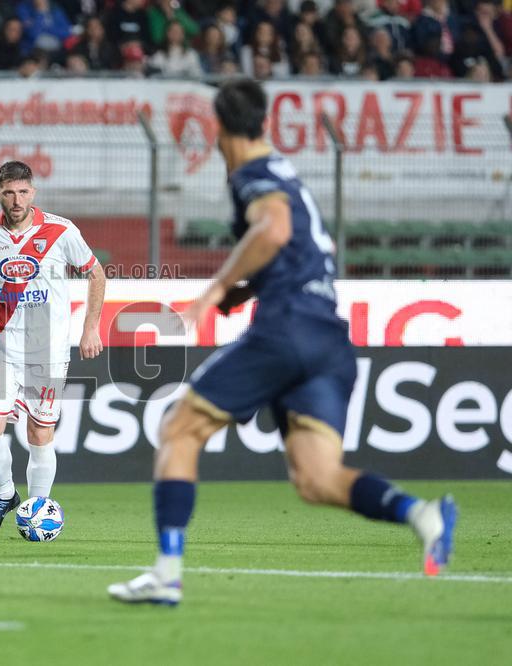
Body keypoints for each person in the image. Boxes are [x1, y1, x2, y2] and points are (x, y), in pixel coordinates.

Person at [108, 79, 457, 606]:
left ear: (219, 130)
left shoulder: (253, 175)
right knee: (317, 479)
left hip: (287, 329)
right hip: (329, 340)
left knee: (178, 429)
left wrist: (218, 289)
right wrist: (248, 287)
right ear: (265, 123)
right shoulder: (288, 173)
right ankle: (422, 514)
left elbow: (273, 231)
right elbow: (299, 246)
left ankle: (166, 574)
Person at [0, 161, 105, 537]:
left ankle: (36, 509)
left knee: (40, 433)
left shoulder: (60, 230)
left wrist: (91, 327)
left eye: (23, 192)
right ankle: (6, 494)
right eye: (8, 192)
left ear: (33, 193)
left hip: (48, 349)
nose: (16, 199)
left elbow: (96, 272)